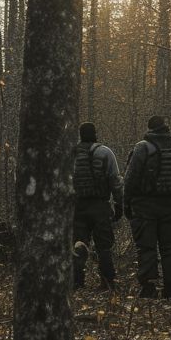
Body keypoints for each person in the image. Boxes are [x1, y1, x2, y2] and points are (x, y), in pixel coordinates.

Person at [124, 115, 171, 299]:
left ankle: (149, 289)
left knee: (147, 249)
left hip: (144, 208)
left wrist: (126, 204)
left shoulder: (142, 148)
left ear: (149, 129)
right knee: (170, 250)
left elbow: (130, 180)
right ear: (166, 127)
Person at [71, 121, 123, 290]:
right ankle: (107, 282)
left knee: (78, 244)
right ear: (95, 133)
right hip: (100, 206)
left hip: (77, 207)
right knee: (104, 247)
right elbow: (115, 181)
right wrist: (119, 204)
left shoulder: (71, 154)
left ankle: (77, 282)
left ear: (80, 134)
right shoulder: (105, 152)